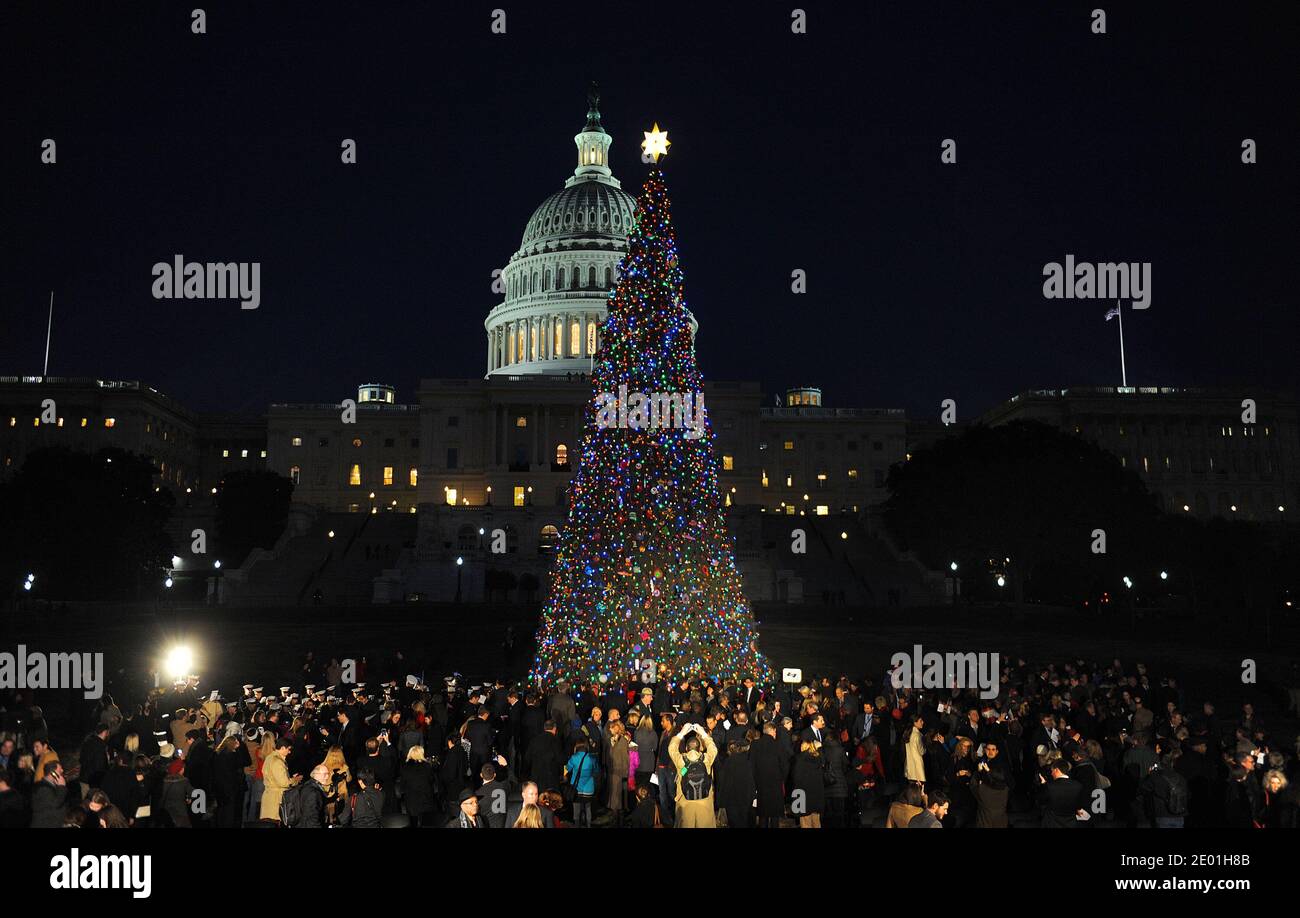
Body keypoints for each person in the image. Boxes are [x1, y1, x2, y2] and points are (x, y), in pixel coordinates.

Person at [668, 722, 718, 828]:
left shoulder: (681, 760)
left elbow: (671, 748)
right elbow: (713, 748)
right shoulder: (706, 759)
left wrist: (682, 733)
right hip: (704, 802)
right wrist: (703, 733)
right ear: (699, 748)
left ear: (686, 748)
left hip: (685, 802)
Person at [563, 739, 599, 827]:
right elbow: (596, 771)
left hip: (576, 788)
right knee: (588, 808)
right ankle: (588, 825)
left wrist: (564, 776)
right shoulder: (592, 758)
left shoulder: (574, 757)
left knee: (576, 810)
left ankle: (577, 825)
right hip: (589, 789)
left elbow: (567, 769)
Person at [400, 745, 438, 827]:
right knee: (425, 822)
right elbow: (432, 780)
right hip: (425, 798)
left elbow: (402, 784)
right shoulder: (427, 766)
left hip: (411, 799)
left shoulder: (405, 767)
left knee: (413, 822)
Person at [260, 736, 293, 823]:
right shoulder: (277, 762)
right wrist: (294, 780)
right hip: (276, 800)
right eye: (289, 749)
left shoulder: (269, 757)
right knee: (275, 822)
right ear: (282, 748)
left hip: (269, 796)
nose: (290, 752)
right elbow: (283, 783)